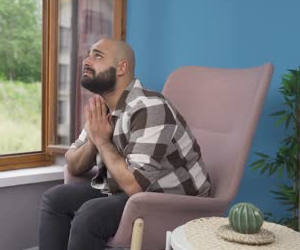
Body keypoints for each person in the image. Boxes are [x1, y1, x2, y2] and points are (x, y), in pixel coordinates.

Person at [39, 37, 211, 250]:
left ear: (121, 67)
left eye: (97, 55)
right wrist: (95, 137)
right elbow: (73, 164)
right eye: (87, 55)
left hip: (173, 201)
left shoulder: (150, 108)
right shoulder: (102, 107)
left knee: (90, 215)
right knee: (55, 199)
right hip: (128, 191)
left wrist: (102, 141)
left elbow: (135, 185)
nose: (86, 61)